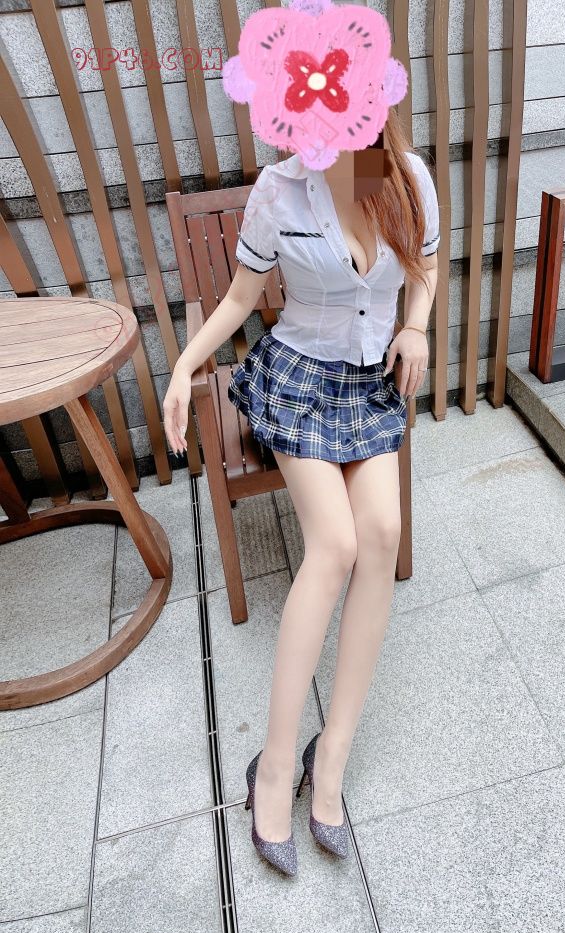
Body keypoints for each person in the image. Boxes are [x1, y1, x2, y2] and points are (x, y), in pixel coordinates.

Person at [162, 105, 439, 875]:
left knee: (381, 533)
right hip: (298, 381)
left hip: (370, 383)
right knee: (335, 544)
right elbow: (240, 299)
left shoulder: (405, 177)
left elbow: (427, 264)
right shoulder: (280, 191)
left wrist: (415, 326)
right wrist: (183, 366)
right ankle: (276, 764)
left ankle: (333, 753)